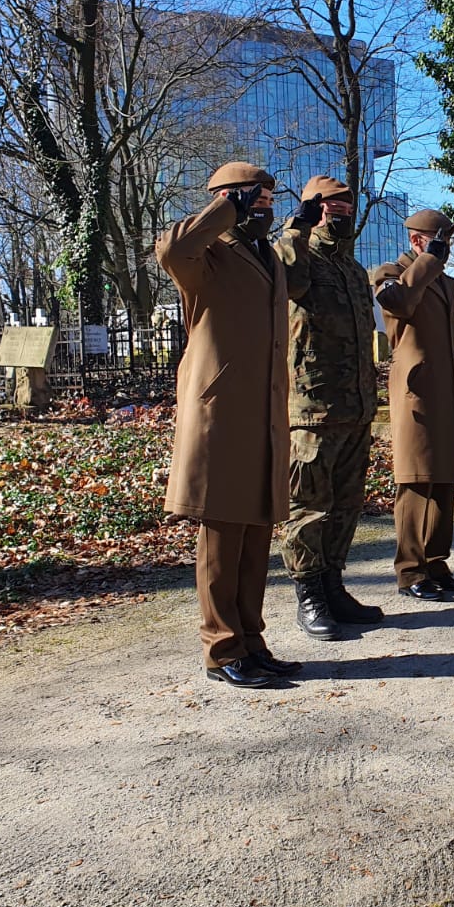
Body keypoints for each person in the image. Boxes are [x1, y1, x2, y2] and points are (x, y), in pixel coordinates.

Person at [156, 161, 295, 688]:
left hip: (262, 410)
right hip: (219, 413)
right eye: (254, 197)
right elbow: (171, 249)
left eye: (268, 197)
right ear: (227, 200)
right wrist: (224, 210)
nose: (265, 204)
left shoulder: (268, 255)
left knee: (257, 531)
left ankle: (252, 642)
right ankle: (220, 649)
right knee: (222, 537)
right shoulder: (206, 255)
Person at [273, 175, 383, 638]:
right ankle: (309, 595)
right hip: (311, 410)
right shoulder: (297, 258)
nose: (341, 213)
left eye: (347, 207)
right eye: (331, 206)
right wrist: (295, 228)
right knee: (308, 508)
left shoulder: (354, 270)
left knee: (346, 505)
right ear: (313, 207)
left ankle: (333, 585)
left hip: (355, 408)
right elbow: (287, 284)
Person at [370, 209, 454, 601]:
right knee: (415, 481)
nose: (447, 248)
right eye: (441, 240)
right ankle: (410, 571)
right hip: (415, 393)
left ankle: (436, 562)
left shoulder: (445, 282)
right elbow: (397, 304)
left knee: (444, 478)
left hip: (445, 391)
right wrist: (427, 260)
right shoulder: (389, 273)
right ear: (419, 240)